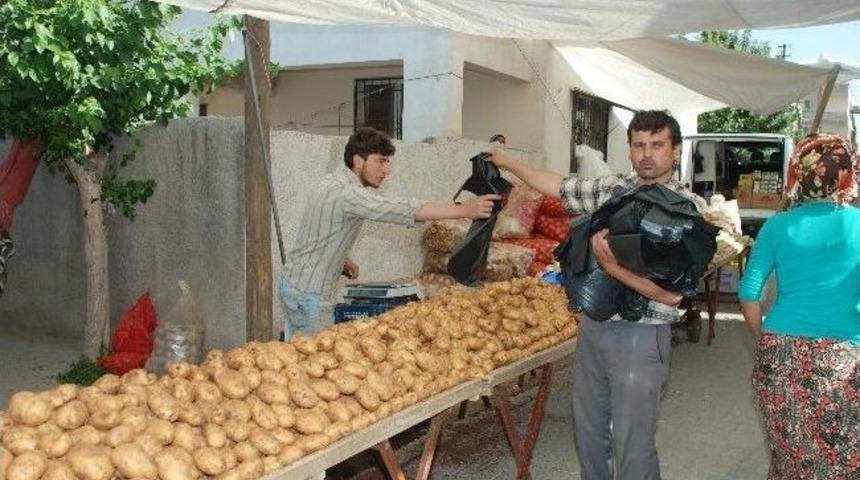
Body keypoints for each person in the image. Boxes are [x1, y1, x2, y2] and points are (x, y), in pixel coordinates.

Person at [490, 110, 705, 480]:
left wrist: (614, 266)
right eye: (639, 145)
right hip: (594, 327)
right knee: (589, 433)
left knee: (632, 443)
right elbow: (557, 185)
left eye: (657, 145)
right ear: (630, 149)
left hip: (642, 333)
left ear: (675, 150)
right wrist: (507, 162)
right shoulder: (613, 189)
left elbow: (672, 297)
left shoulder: (688, 212)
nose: (647, 154)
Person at [279, 126, 499, 339]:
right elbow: (400, 209)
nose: (386, 170)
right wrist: (464, 209)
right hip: (311, 297)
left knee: (293, 356)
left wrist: (341, 259)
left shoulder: (331, 182)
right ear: (358, 161)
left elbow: (323, 229)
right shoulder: (349, 194)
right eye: (380, 161)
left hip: (294, 284)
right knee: (315, 365)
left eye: (388, 162)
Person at [738, 133, 859, 480]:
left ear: (798, 174)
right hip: (841, 359)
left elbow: (749, 291)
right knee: (841, 462)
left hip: (779, 355)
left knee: (790, 459)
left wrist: (765, 335)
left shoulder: (777, 225)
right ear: (847, 175)